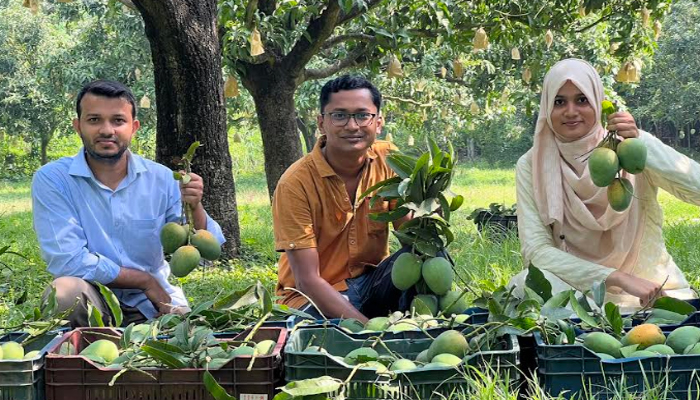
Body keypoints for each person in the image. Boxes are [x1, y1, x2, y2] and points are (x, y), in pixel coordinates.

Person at [509, 58, 698, 313]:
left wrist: (642, 145)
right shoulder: (531, 165)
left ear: (597, 102)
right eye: (559, 101)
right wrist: (617, 277)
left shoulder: (631, 147)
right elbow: (536, 252)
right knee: (523, 284)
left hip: (651, 293)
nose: (571, 111)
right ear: (546, 108)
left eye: (582, 99)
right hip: (581, 296)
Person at [32, 80, 225, 327]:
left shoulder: (162, 178)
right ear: (77, 126)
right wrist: (144, 281)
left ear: (134, 128)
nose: (106, 130)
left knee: (195, 352)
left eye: (118, 120)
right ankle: (84, 359)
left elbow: (209, 251)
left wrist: (195, 205)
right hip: (93, 298)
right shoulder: (54, 180)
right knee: (63, 292)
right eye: (94, 120)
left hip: (155, 303)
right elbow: (67, 261)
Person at [272, 75, 413, 323]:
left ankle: (420, 328)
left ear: (378, 122)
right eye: (339, 115)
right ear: (321, 123)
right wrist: (367, 329)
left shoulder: (389, 160)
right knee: (313, 334)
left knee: (431, 255)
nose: (351, 126)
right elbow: (307, 280)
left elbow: (411, 237)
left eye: (362, 115)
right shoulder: (295, 184)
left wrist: (429, 203)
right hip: (317, 296)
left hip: (372, 283)